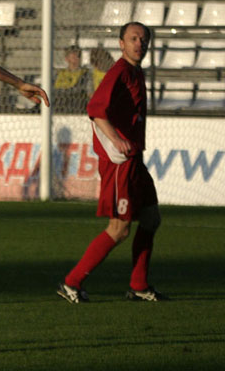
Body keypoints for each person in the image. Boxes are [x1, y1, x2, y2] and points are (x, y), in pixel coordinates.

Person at [57, 22, 165, 304]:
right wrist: (116, 140)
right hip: (119, 163)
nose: (139, 43)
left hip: (134, 160)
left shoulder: (135, 72)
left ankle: (139, 285)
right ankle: (71, 282)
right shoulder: (119, 71)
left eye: (143, 39)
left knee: (151, 218)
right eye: (133, 38)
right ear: (121, 43)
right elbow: (95, 109)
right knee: (119, 228)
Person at [53, 45, 93, 114]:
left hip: (76, 105)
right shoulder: (59, 73)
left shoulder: (85, 73)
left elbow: (90, 93)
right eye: (73, 56)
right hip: (59, 104)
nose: (77, 58)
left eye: (78, 56)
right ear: (66, 58)